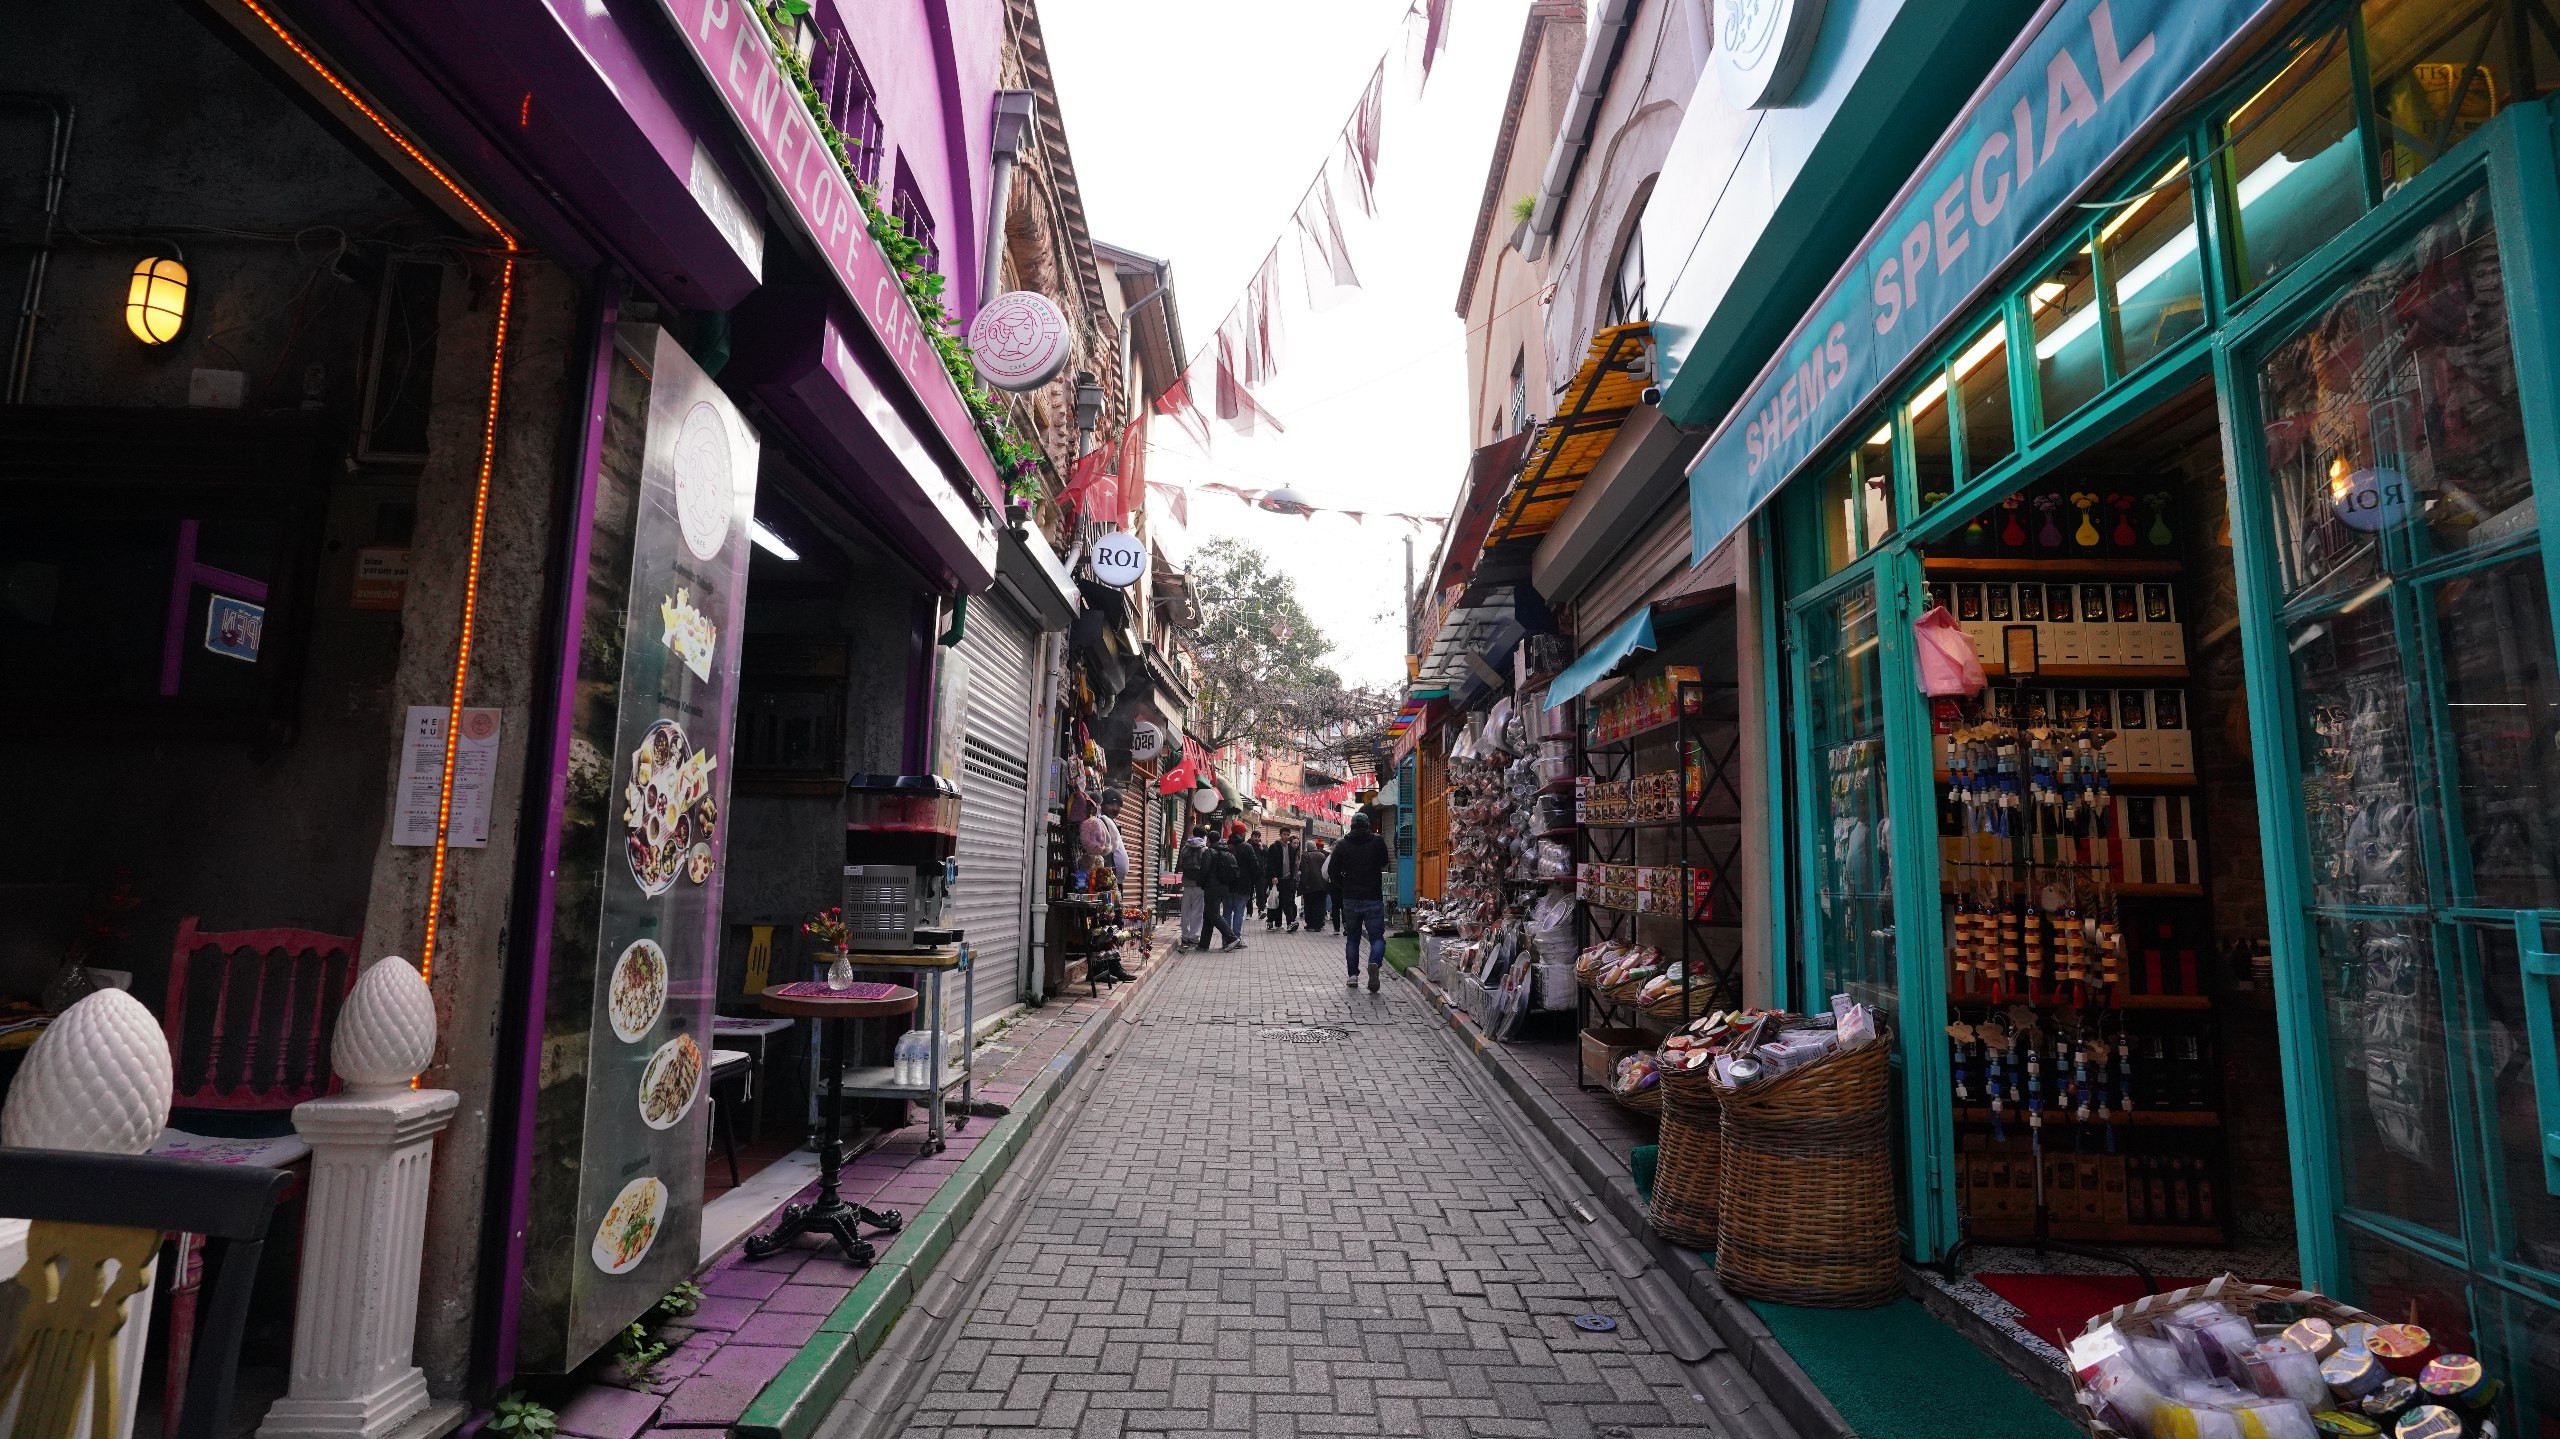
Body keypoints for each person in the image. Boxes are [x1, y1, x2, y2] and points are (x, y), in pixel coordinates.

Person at [1326, 813, 1392, 991]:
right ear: (1367, 825)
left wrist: (1343, 886)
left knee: (1353, 938)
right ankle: (1374, 962)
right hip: (1373, 896)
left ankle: (1353, 976)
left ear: (1352, 825)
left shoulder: (1342, 845)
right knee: (1376, 937)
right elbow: (1384, 862)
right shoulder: (1377, 841)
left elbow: (1332, 871)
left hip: (1350, 898)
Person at [1199, 823, 1243, 952]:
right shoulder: (1227, 852)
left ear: (1209, 840)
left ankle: (1232, 938)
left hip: (1212, 887)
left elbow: (1204, 870)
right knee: (1208, 914)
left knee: (1214, 915)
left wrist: (1200, 883)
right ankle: (1203, 944)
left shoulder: (1209, 852)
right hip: (1224, 887)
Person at [1219, 823, 1258, 950]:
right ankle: (1236, 938)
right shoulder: (1247, 847)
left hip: (1226, 885)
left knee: (1226, 913)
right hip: (1243, 885)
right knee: (1239, 913)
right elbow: (1254, 867)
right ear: (1241, 832)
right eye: (1245, 831)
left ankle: (1226, 939)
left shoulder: (1225, 846)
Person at [1173, 826, 1213, 951]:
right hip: (1199, 885)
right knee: (1197, 911)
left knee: (1185, 910)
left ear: (1193, 833)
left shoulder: (1185, 848)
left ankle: (1185, 935)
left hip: (1186, 883)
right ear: (1204, 836)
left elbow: (1181, 864)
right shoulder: (1205, 849)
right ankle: (1194, 936)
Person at [1267, 833, 1301, 931]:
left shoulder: (1290, 849)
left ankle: (1290, 923)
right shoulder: (1274, 847)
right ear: (1280, 835)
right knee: (1275, 901)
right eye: (1284, 834)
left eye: (1288, 835)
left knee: (1287, 902)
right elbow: (1270, 863)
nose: (1286, 836)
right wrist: (1273, 876)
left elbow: (1292, 865)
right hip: (1276, 880)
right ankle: (1271, 921)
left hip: (1287, 880)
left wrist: (1292, 878)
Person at [1298, 838, 1331, 933]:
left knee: (1309, 905)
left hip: (1310, 885)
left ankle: (1310, 924)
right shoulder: (1322, 855)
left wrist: (1304, 885)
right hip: (1322, 885)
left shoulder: (1306, 855)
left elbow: (1304, 871)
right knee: (1320, 905)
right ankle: (1319, 924)